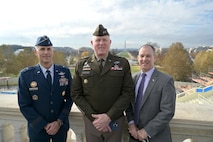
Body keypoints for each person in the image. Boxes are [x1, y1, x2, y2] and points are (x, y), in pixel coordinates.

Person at [71, 24, 134, 142]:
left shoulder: (122, 64)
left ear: (110, 42)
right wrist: (94, 118)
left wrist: (109, 117)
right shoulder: (81, 64)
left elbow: (128, 92)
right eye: (98, 40)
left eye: (104, 40)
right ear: (92, 43)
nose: (101, 43)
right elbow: (75, 94)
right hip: (91, 122)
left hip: (115, 120)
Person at [18, 35, 73, 142]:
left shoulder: (64, 72)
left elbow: (70, 98)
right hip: (38, 130)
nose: (46, 52)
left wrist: (59, 121)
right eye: (42, 49)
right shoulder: (26, 75)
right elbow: (24, 105)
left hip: (60, 129)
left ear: (53, 52)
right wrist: (43, 125)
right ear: (35, 52)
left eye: (49, 49)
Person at [125, 44, 176, 142]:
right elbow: (128, 106)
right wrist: (131, 124)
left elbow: (168, 111)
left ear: (155, 58)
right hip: (134, 137)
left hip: (156, 138)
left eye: (148, 56)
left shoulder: (166, 80)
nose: (144, 59)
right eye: (142, 56)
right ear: (138, 58)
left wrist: (147, 131)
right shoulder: (133, 79)